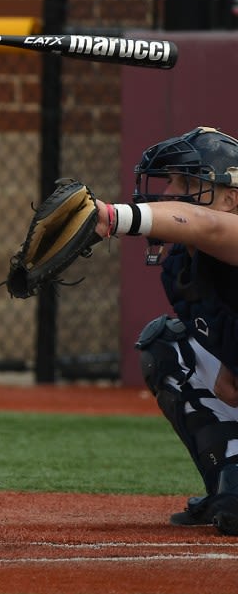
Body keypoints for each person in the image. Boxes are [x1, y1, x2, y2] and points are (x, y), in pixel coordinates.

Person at [92, 126, 238, 536]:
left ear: (231, 198)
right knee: (169, 345)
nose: (169, 190)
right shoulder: (181, 268)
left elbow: (205, 226)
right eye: (170, 180)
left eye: (186, 182)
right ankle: (232, 473)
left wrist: (111, 217)